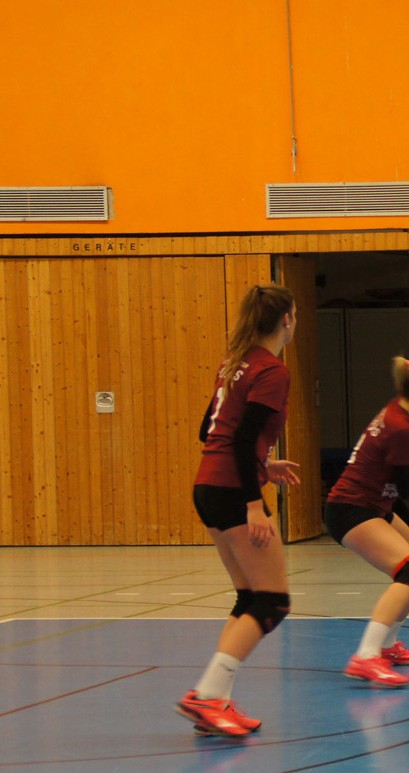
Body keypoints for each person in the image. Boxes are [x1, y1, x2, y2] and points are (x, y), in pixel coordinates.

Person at [178, 284, 301, 738]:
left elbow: (208, 431)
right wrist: (254, 503)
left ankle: (215, 701)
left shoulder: (234, 363)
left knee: (249, 597)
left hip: (209, 485)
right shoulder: (271, 370)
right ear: (286, 320)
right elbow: (244, 438)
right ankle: (207, 696)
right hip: (232, 490)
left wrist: (264, 466)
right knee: (272, 601)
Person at [324, 357, 409, 687]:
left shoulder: (404, 414)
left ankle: (388, 645)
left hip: (373, 504)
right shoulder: (401, 426)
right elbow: (406, 488)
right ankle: (366, 656)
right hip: (351, 509)